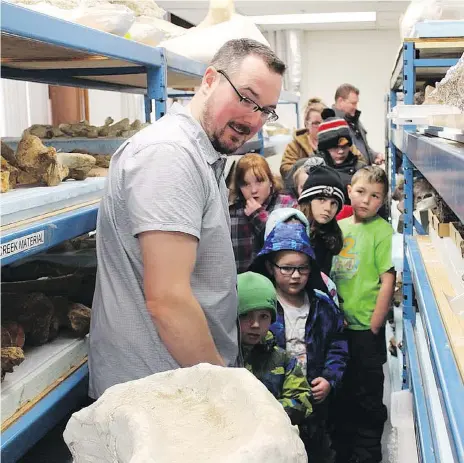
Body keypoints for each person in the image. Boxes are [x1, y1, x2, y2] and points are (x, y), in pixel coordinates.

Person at [88, 39, 286, 399]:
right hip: (160, 396)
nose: (254, 119)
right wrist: (228, 395)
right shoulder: (170, 156)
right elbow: (168, 300)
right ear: (210, 80)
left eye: (266, 110)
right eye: (246, 97)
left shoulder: (202, 155)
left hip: (183, 384)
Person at [250, 220, 348, 463]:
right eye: (286, 268)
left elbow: (338, 345)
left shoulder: (322, 305)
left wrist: (329, 378)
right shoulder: (260, 307)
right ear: (270, 267)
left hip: (315, 404)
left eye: (302, 269)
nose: (295, 276)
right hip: (272, 406)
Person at [330, 166, 395, 463]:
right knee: (345, 390)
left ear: (382, 202)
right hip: (340, 327)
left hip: (366, 329)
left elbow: (387, 280)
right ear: (349, 192)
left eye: (375, 196)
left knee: (368, 394)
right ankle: (345, 450)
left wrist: (374, 324)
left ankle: (368, 453)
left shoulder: (382, 231)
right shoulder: (340, 228)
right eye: (360, 192)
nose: (366, 200)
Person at [238, 271, 313, 426]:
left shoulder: (283, 360)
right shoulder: (221, 357)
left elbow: (301, 401)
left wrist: (265, 412)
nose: (255, 324)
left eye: (263, 316)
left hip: (273, 436)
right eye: (245, 315)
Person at [229, 153, 296, 274]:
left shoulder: (286, 205)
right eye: (246, 184)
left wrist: (258, 216)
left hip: (278, 286)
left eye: (259, 181)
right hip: (241, 286)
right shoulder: (231, 213)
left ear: (270, 181)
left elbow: (289, 243)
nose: (253, 190)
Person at [297, 164, 345, 276]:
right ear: (307, 201)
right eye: (321, 199)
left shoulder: (330, 237)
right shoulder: (291, 231)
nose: (328, 208)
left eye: (334, 203)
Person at [332, 84, 384, 166]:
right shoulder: (332, 124)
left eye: (356, 103)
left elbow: (361, 147)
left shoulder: (353, 120)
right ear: (340, 101)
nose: (355, 107)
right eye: (353, 103)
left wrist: (374, 156)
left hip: (362, 174)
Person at [316, 113, 366, 196]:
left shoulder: (361, 169)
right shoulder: (314, 169)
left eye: (345, 146)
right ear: (325, 149)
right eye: (335, 147)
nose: (341, 151)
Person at [280, 98, 326, 187]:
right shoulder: (294, 146)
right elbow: (285, 171)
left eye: (323, 122)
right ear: (306, 124)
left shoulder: (336, 142)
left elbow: (359, 159)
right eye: (315, 123)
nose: (320, 126)